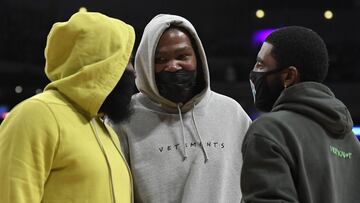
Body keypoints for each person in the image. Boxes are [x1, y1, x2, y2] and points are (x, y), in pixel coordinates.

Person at [111, 14, 252, 203]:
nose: (173, 66)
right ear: (146, 64)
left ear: (198, 58)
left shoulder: (231, 113)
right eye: (160, 59)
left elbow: (255, 181)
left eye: (182, 56)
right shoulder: (125, 118)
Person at [0, 11, 136, 203]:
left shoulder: (107, 130)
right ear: (103, 62)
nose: (134, 72)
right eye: (127, 60)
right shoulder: (36, 115)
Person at [241, 26, 360, 202]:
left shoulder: (269, 131)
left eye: (260, 64)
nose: (254, 72)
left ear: (289, 76)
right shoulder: (351, 141)